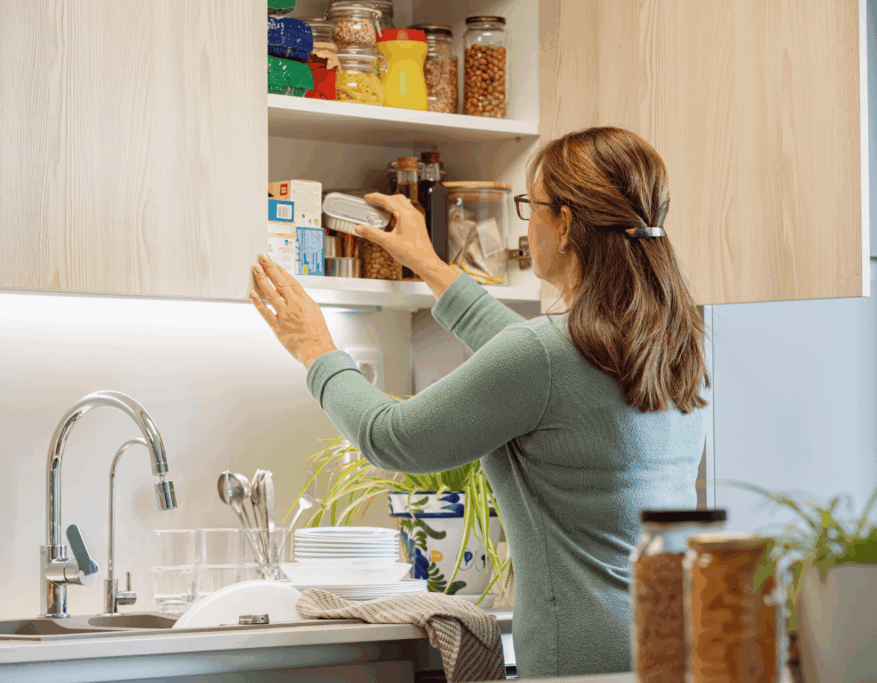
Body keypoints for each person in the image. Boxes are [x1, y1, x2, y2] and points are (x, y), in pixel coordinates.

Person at [249, 126, 709, 678]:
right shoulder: (672, 348)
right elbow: (534, 359)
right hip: (675, 644)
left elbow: (392, 438)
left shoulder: (546, 356)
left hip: (580, 661)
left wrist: (315, 349)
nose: (529, 223)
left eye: (530, 207)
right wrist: (429, 263)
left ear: (565, 224)